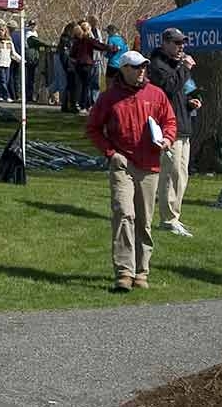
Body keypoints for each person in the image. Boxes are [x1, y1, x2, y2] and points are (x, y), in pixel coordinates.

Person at [87, 49, 176, 291]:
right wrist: (110, 153)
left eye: (144, 67)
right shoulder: (109, 97)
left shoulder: (156, 94)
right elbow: (93, 128)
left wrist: (167, 140)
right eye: (136, 67)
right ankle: (124, 272)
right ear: (124, 69)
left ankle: (141, 272)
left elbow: (170, 122)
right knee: (124, 213)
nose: (141, 71)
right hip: (122, 164)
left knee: (144, 221)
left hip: (150, 165)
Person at [145, 29, 200, 238]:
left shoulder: (176, 65)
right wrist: (184, 68)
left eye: (183, 43)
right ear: (165, 43)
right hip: (169, 129)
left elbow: (178, 94)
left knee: (181, 175)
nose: (181, 47)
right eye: (177, 43)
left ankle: (174, 216)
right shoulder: (157, 64)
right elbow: (168, 87)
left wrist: (189, 103)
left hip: (183, 125)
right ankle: (167, 219)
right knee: (171, 173)